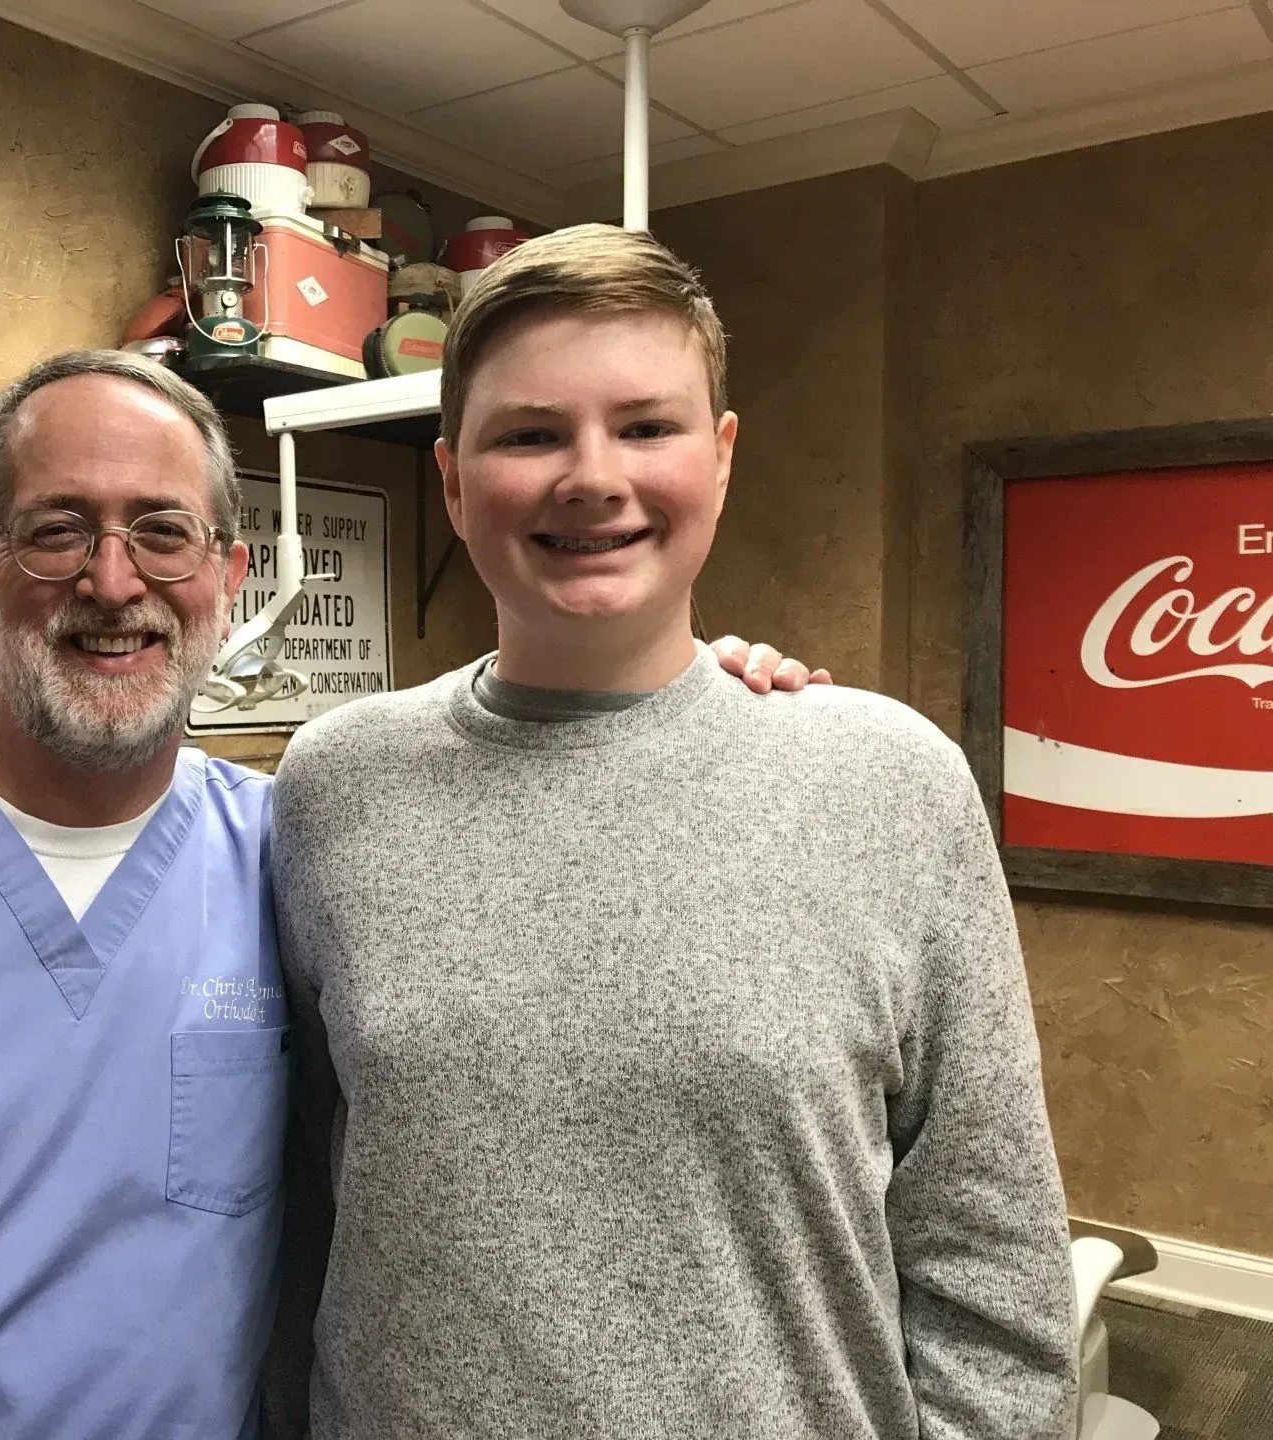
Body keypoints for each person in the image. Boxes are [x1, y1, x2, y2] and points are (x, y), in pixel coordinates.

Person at [0, 347, 816, 1440]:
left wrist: (696, 704)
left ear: (227, 581)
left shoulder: (301, 851)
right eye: (57, 529)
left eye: (161, 533)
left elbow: (543, 882)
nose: (111, 582)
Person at [269, 226, 1076, 1440]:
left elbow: (992, 1269)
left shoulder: (887, 781)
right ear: (451, 477)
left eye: (645, 426)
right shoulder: (334, 783)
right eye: (531, 432)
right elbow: (300, 1200)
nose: (591, 476)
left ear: (723, 455)